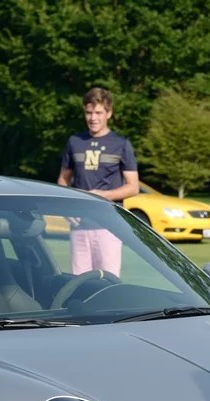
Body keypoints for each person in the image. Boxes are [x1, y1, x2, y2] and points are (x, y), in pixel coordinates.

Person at [56, 87, 139, 275]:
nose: (93, 118)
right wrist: (65, 208)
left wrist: (102, 196)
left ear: (108, 113)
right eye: (89, 112)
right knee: (79, 281)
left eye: (98, 113)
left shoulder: (121, 144)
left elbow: (133, 187)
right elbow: (63, 180)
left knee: (108, 282)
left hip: (108, 224)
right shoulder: (74, 141)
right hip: (79, 226)